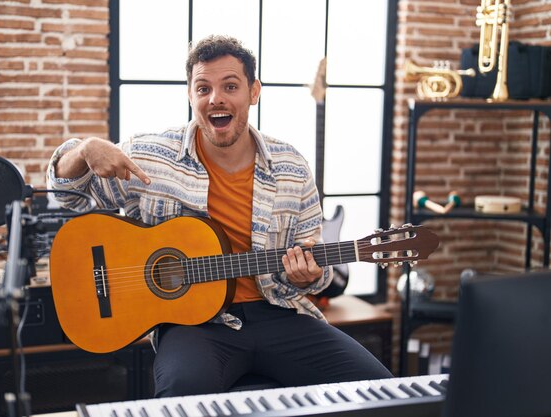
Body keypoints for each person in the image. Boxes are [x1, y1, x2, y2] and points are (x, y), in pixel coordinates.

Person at [46, 35, 392, 397]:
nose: (216, 98)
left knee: (379, 392)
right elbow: (66, 196)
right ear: (190, 95)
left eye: (230, 86)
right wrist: (84, 150)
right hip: (194, 326)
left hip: (280, 314)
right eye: (203, 88)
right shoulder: (150, 157)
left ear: (253, 92)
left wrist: (306, 277)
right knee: (182, 397)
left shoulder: (292, 166)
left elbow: (312, 274)